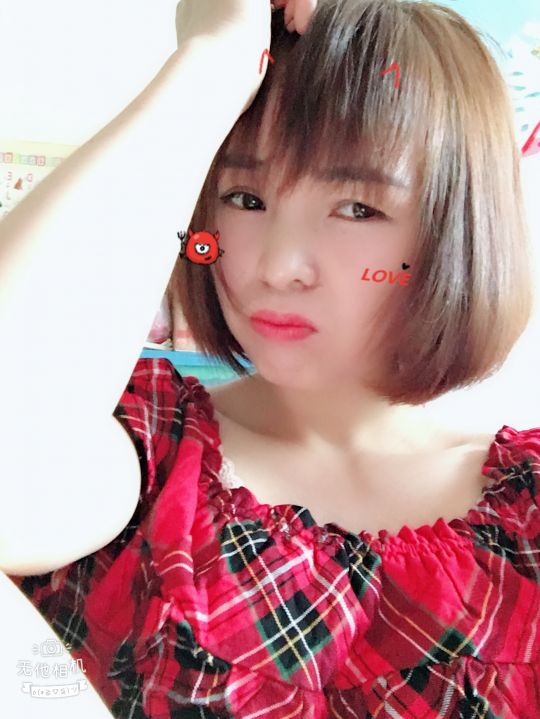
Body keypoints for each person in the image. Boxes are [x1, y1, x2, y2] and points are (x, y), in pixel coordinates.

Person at [1, 0, 539, 716]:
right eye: (244, 198)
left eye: (358, 209)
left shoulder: (529, 513)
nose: (277, 267)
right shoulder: (146, 454)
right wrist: (215, 59)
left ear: (458, 231)